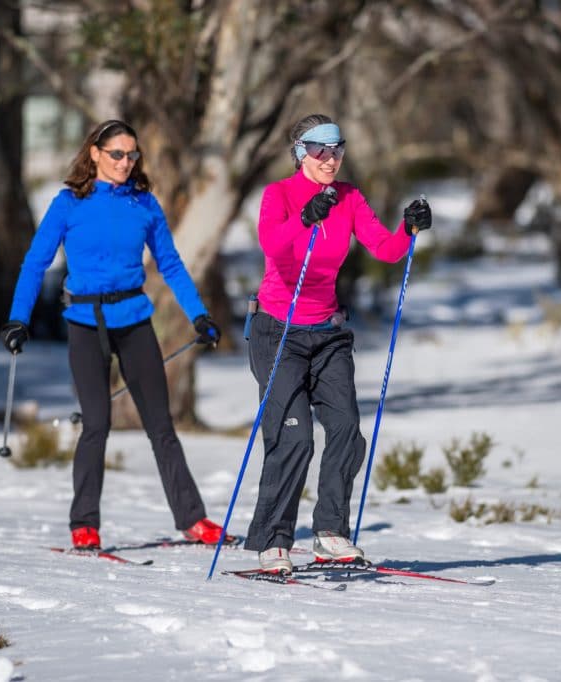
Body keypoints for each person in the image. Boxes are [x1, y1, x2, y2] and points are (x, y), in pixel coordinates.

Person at [0, 119, 227, 550]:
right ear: (95, 154)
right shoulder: (69, 204)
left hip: (135, 321)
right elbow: (35, 263)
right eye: (117, 154)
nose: (126, 162)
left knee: (161, 426)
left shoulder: (144, 204)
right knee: (97, 424)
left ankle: (193, 520)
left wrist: (199, 315)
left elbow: (171, 264)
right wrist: (18, 319)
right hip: (86, 324)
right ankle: (84, 524)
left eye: (132, 155)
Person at [245, 114, 432, 573]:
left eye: (337, 149)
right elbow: (272, 245)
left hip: (327, 334)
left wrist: (408, 229)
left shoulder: (348, 197)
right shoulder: (279, 195)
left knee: (347, 428)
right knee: (294, 438)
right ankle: (273, 540)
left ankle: (330, 532)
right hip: (278, 331)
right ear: (300, 153)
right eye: (319, 150)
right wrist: (305, 219)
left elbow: (385, 249)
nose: (330, 159)